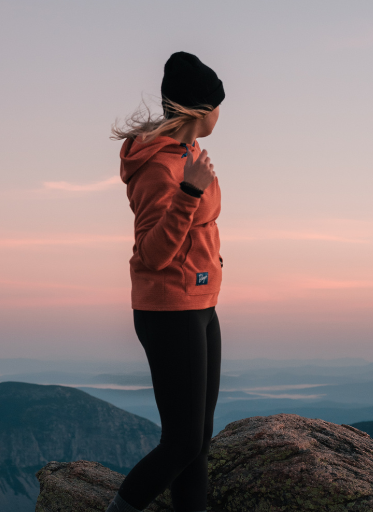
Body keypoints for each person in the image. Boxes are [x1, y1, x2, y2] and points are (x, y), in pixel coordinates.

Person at [106, 51, 225, 512]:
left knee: (198, 440)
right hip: (170, 308)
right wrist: (191, 191)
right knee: (180, 443)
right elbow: (154, 254)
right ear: (200, 110)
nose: (220, 114)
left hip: (200, 302)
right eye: (217, 105)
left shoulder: (187, 152)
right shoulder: (161, 166)